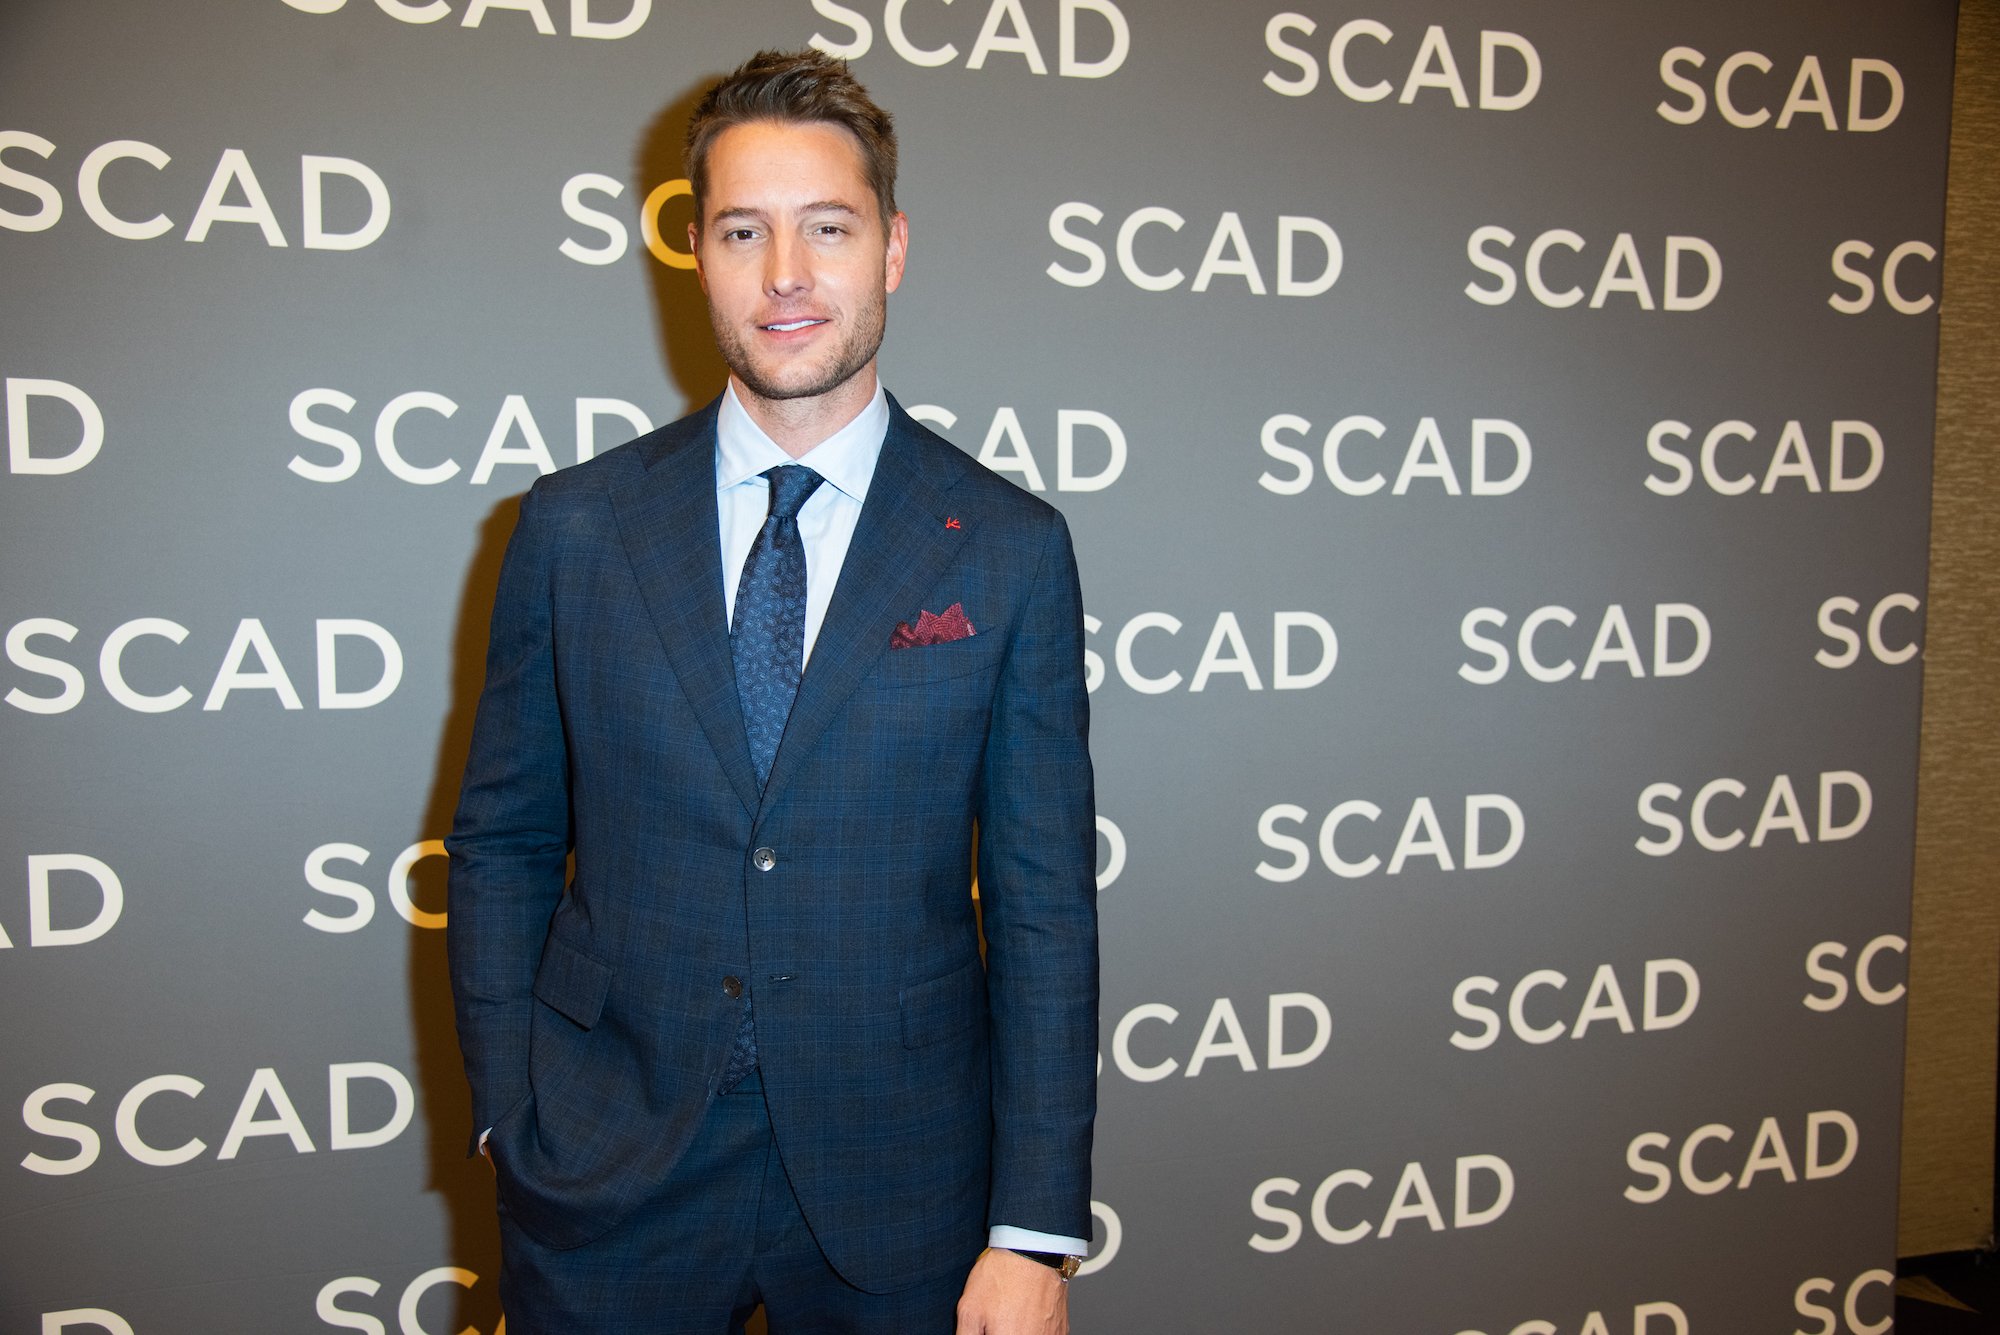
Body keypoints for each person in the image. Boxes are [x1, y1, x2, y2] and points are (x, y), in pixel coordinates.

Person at [445, 48, 1098, 1335]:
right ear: (695, 251)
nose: (786, 276)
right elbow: (504, 840)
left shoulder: (1010, 546)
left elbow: (1039, 901)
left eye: (827, 228)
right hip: (604, 1170)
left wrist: (1033, 1229)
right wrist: (507, 1118)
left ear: (893, 248)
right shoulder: (574, 527)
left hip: (906, 1182)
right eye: (744, 230)